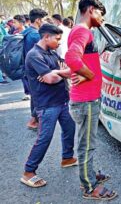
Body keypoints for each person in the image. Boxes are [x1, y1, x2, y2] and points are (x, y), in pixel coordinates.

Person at [65, 0, 117, 200]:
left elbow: (76, 60)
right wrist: (90, 75)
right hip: (86, 102)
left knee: (88, 142)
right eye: (100, 14)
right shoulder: (82, 31)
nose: (102, 19)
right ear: (90, 10)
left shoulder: (81, 32)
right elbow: (71, 57)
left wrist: (80, 72)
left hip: (86, 99)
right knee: (87, 144)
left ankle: (89, 173)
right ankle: (89, 186)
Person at [20, 24, 77, 188]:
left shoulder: (51, 53)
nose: (59, 42)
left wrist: (56, 73)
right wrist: (58, 73)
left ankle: (67, 157)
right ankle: (29, 172)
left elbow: (69, 71)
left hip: (62, 100)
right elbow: (51, 79)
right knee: (45, 138)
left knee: (69, 129)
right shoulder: (34, 55)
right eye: (57, 39)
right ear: (46, 37)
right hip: (46, 104)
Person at [22, 8, 48, 130]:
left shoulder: (26, 32)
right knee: (39, 94)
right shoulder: (34, 35)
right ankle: (34, 120)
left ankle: (35, 120)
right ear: (37, 20)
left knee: (35, 94)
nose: (44, 22)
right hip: (35, 69)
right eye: (43, 19)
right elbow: (41, 53)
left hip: (28, 69)